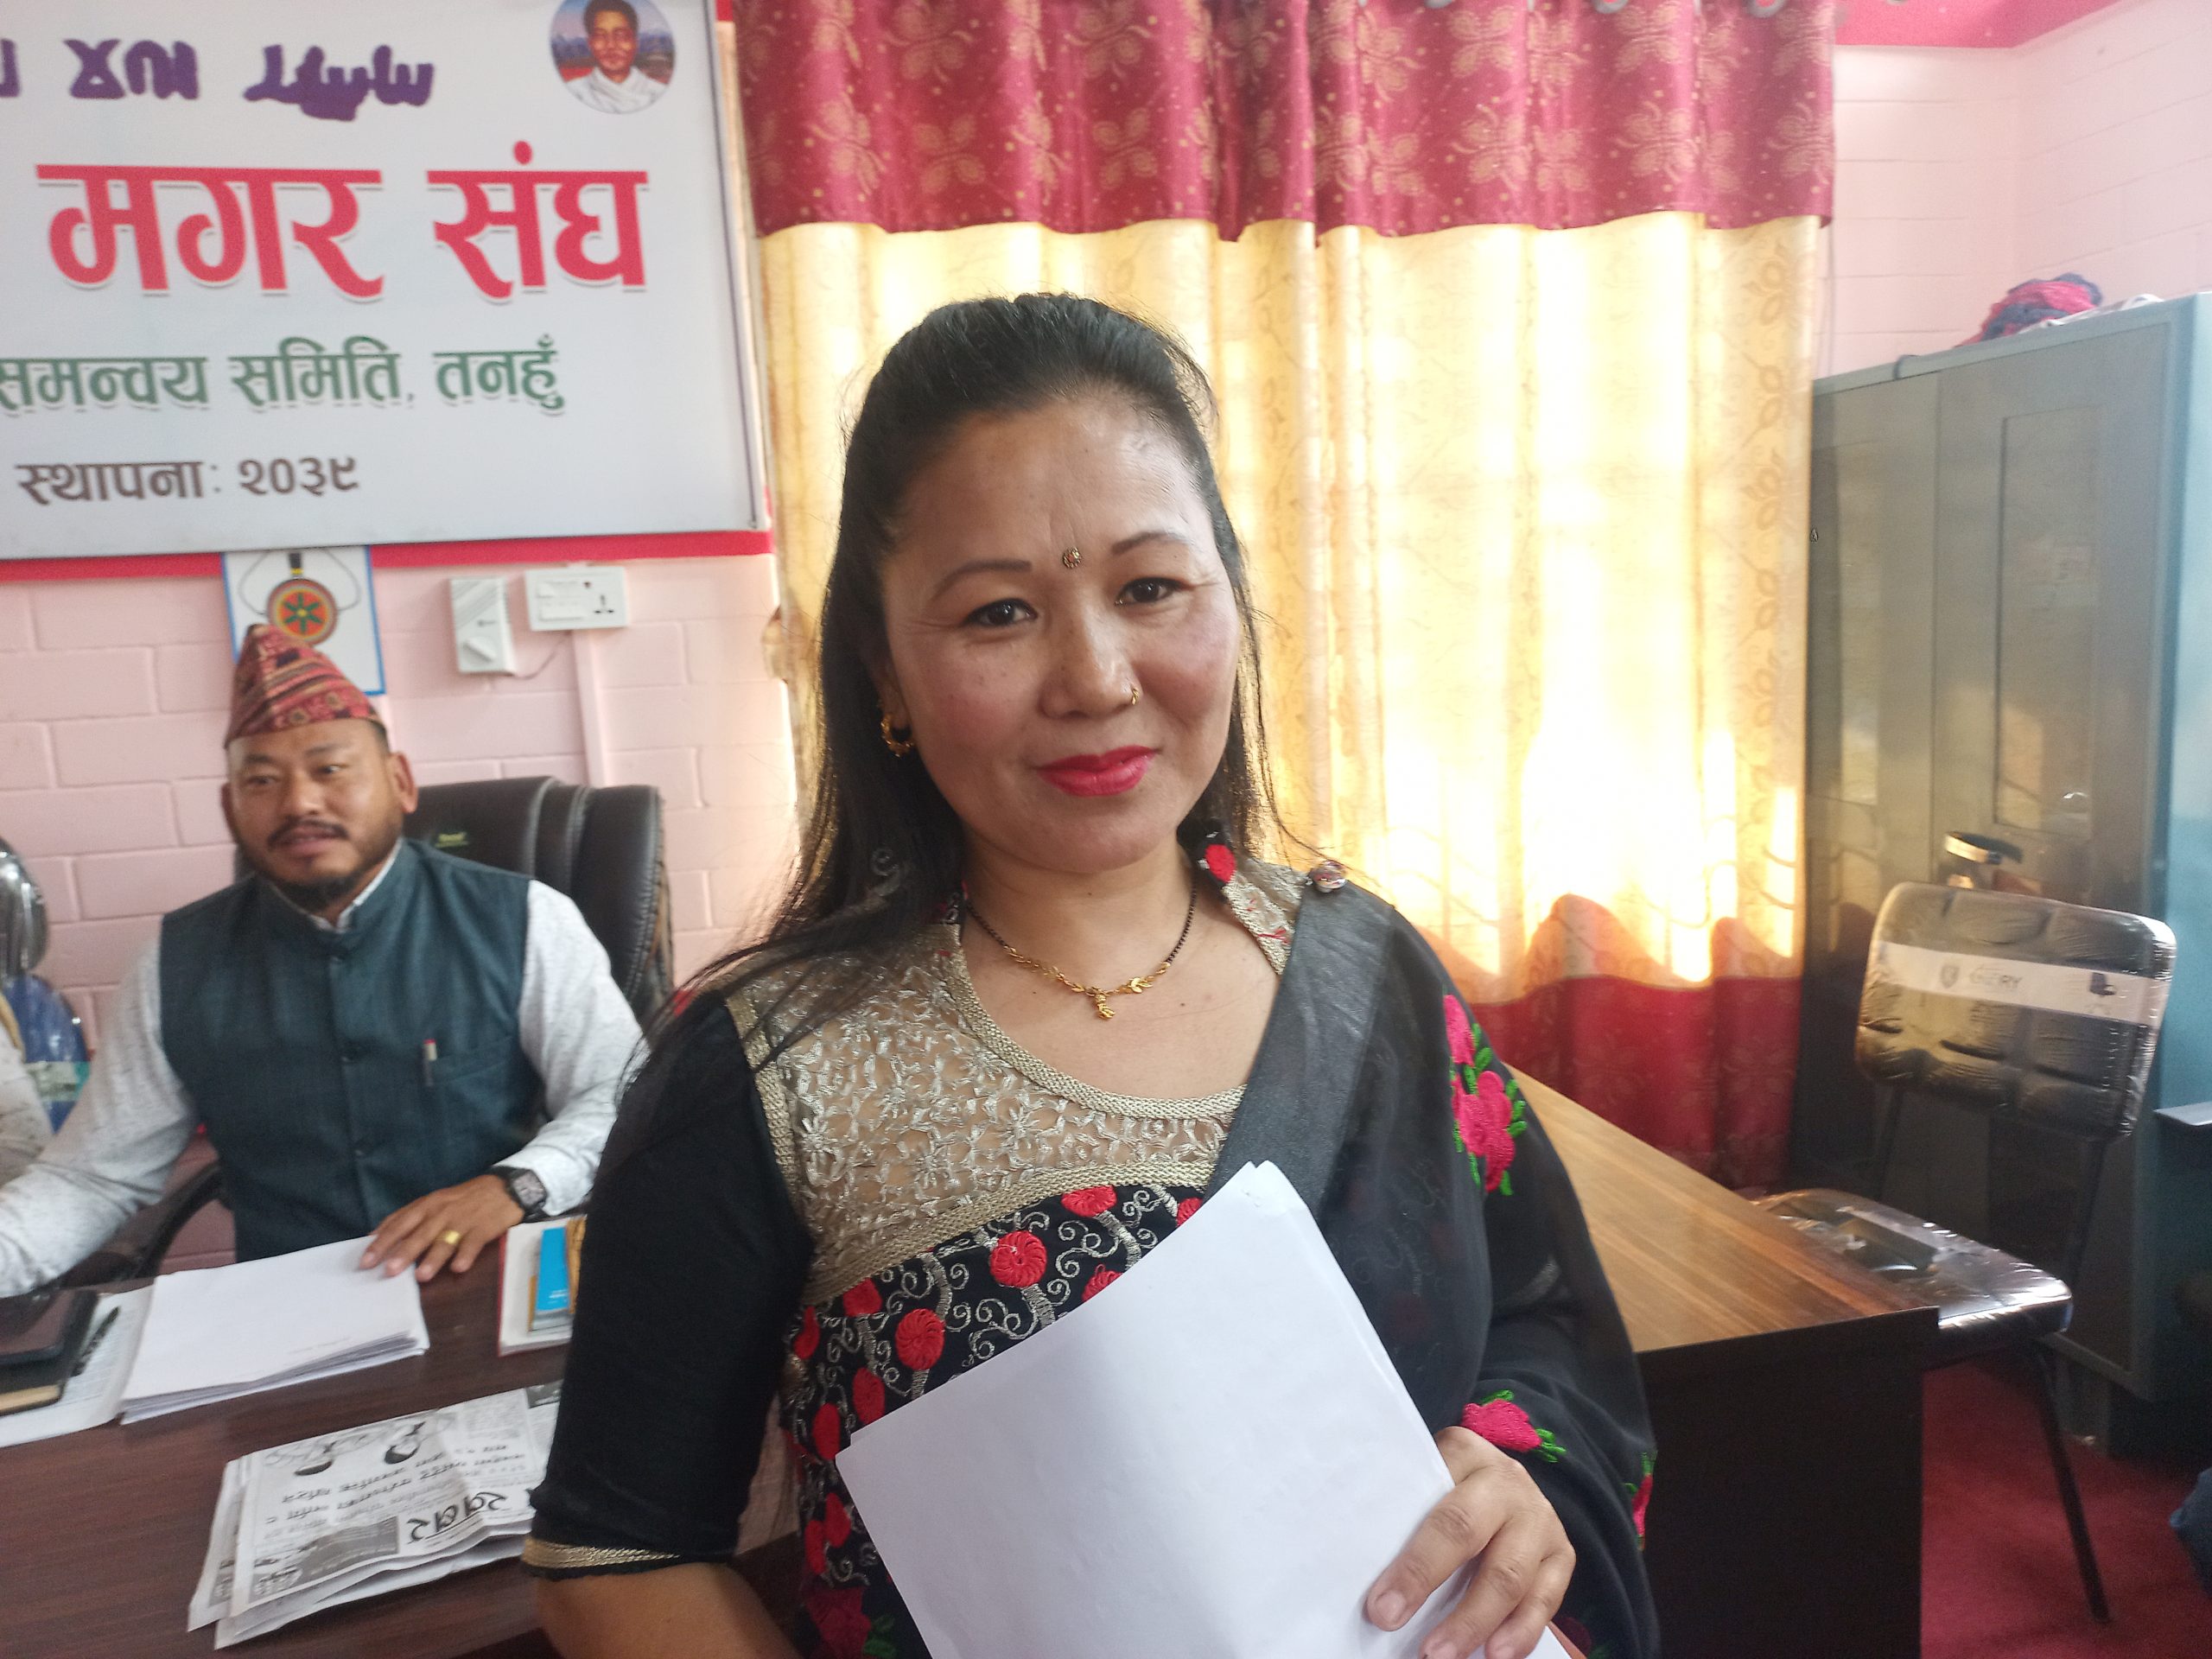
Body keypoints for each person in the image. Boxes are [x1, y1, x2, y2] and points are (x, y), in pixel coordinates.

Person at [525, 296, 1660, 1659]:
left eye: (1150, 588)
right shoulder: (764, 1067)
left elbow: (1542, 1323)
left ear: (1230, 599)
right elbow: (616, 1556)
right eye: (999, 612)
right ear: (884, 671)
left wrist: (1518, 1478)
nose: (1097, 677)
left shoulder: (1373, 980)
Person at [0, 626, 642, 1297]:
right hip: (291, 1308)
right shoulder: (173, 964)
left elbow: (621, 1095)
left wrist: (516, 1186)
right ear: (229, 807)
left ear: (400, 782)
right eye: (262, 780)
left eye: (330, 769)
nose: (299, 802)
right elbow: (91, 1178)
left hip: (492, 1283)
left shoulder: (525, 920)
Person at [565, 0, 667, 115]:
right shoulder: (574, 91)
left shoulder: (658, 93)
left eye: (621, 36)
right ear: (590, 43)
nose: (611, 45)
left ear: (635, 42)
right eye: (600, 36)